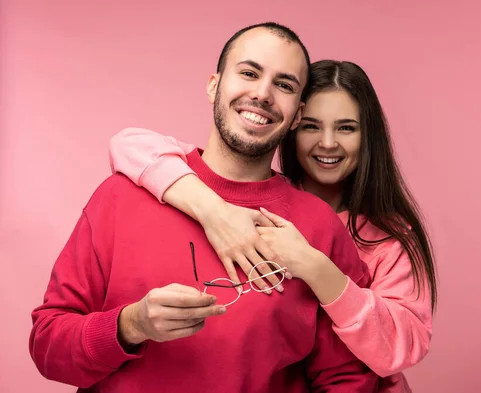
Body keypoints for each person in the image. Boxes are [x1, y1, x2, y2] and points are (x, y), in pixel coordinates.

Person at [29, 23, 379, 393]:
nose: (262, 94)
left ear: (297, 114)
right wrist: (131, 325)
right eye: (248, 72)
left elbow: (348, 378)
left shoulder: (318, 227)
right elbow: (48, 346)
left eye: (284, 85)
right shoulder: (119, 198)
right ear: (214, 85)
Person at [108, 60, 438, 392]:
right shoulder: (249, 197)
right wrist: (212, 209)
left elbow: (402, 346)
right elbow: (128, 144)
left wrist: (315, 266)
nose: (327, 143)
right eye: (311, 126)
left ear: (369, 136)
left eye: (346, 128)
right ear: (292, 123)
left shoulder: (389, 235)